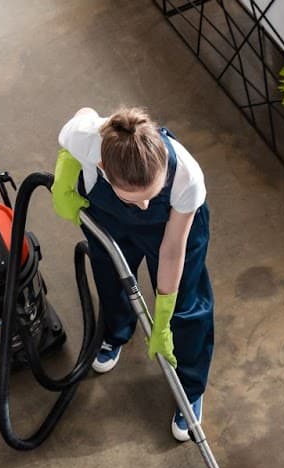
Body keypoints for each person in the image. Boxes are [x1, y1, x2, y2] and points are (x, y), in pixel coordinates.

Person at [51, 106, 214, 441]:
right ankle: (116, 332)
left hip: (171, 229)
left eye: (150, 196)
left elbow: (171, 251)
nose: (143, 205)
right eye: (135, 198)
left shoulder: (187, 178)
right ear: (102, 168)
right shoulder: (87, 138)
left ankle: (190, 386)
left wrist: (164, 317)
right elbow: (75, 126)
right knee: (110, 274)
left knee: (185, 303)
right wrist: (64, 180)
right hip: (109, 215)